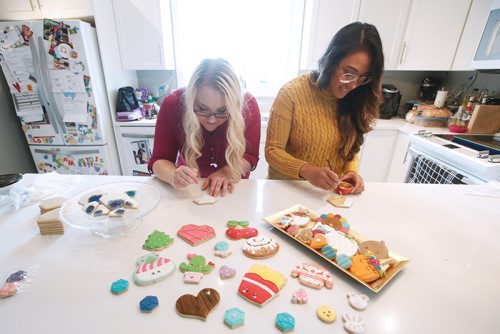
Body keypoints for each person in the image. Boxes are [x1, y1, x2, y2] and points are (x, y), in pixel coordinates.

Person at [265, 22, 384, 194]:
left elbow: (350, 148)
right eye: (348, 73)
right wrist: (306, 170)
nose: (353, 85)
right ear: (331, 60)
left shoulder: (357, 97)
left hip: (326, 196)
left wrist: (351, 171)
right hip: (286, 192)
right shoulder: (291, 94)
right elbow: (272, 151)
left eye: (363, 77)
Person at [148, 58, 261, 197]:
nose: (212, 120)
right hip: (189, 189)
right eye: (202, 108)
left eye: (222, 111)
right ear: (191, 99)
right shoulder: (173, 105)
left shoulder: (248, 106)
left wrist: (226, 172)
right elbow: (159, 160)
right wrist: (173, 176)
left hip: (232, 189)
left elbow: (249, 156)